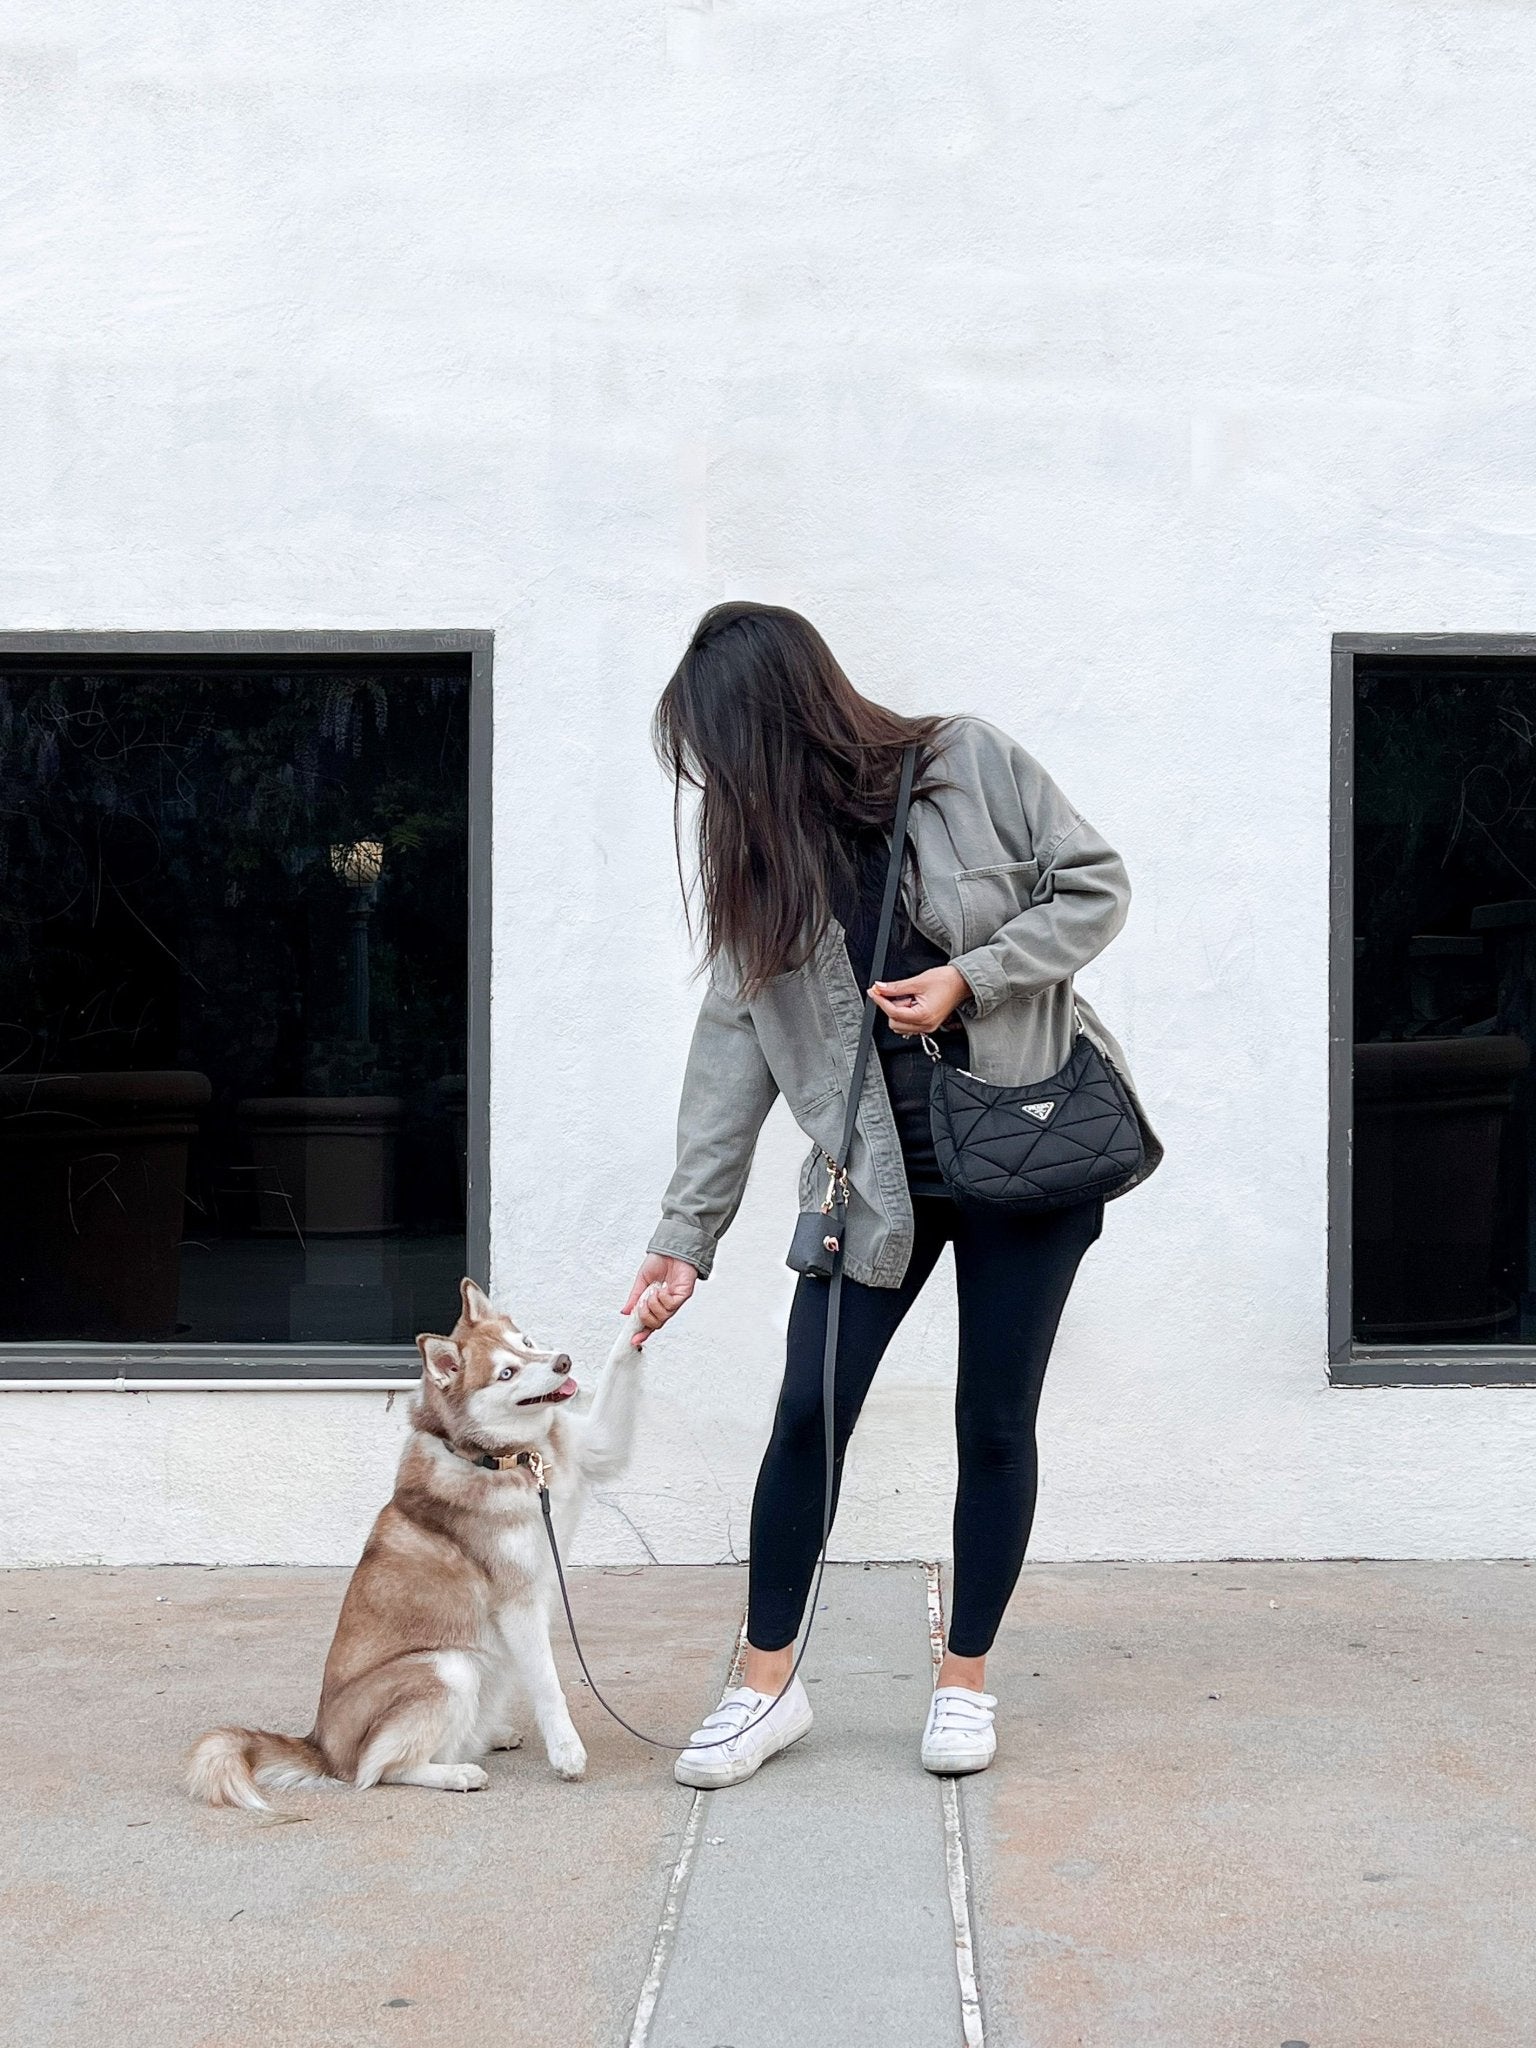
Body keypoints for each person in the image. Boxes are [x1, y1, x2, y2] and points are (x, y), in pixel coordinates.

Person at [623, 601, 1159, 1789]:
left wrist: (973, 976)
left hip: (1026, 1152)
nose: (713, 780)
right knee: (808, 1416)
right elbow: (730, 1052)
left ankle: (964, 1678)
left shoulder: (968, 762)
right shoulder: (760, 864)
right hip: (874, 1183)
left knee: (993, 1420)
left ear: (774, 720)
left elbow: (1094, 886)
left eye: (719, 748)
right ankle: (766, 1683)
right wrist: (684, 1238)